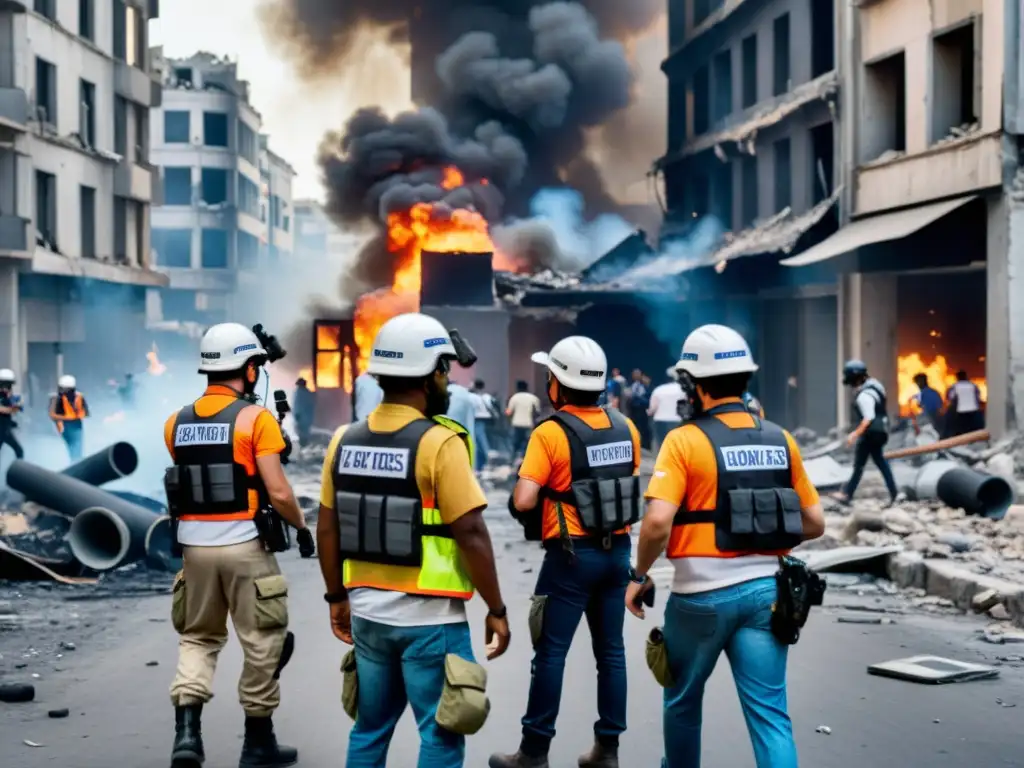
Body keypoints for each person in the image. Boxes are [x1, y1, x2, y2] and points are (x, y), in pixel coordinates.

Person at [625, 324, 826, 768]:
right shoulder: (780, 439)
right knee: (771, 717)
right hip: (765, 597)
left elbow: (657, 521)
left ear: (693, 385)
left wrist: (639, 575)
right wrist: (764, 536)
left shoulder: (684, 441)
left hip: (699, 600)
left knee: (681, 703)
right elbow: (814, 522)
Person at [316, 312, 509, 768]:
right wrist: (496, 609)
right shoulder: (440, 443)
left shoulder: (343, 439)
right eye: (445, 368)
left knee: (368, 730)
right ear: (431, 374)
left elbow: (328, 528)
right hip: (430, 620)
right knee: (440, 734)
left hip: (367, 616)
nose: (448, 380)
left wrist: (335, 598)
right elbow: (472, 534)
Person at [164, 322, 314, 768]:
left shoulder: (176, 422)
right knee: (263, 640)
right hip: (246, 545)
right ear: (249, 369)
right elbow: (280, 492)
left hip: (193, 548)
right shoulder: (256, 420)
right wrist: (301, 528)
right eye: (257, 366)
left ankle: (187, 737)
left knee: (197, 638)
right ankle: (257, 743)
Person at [490, 336, 642, 768]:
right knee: (611, 653)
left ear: (557, 384)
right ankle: (607, 750)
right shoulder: (626, 428)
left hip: (570, 557)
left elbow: (522, 499)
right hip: (617, 554)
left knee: (551, 653)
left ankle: (533, 752)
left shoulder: (551, 432)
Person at [831, 359, 900, 505]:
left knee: (860, 465)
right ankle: (894, 493)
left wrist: (854, 435)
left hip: (871, 434)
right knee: (879, 463)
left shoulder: (864, 396)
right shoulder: (876, 386)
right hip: (881, 431)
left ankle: (847, 494)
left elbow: (868, 418)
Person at [50, 375, 88, 461]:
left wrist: (75, 416)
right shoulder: (56, 399)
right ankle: (74, 463)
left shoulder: (79, 397)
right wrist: (66, 418)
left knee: (77, 449)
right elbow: (52, 414)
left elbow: (84, 413)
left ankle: (76, 464)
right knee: (72, 448)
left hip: (76, 426)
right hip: (64, 426)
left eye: (64, 389)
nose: (62, 391)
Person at [648, 368, 684, 453]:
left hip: (660, 421)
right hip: (678, 421)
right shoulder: (683, 390)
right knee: (678, 446)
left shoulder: (658, 390)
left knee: (662, 446)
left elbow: (652, 409)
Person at [506, 380, 540, 462]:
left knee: (514, 444)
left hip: (516, 424)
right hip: (528, 424)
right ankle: (525, 461)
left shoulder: (514, 397)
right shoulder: (534, 398)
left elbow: (509, 412)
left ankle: (512, 460)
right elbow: (537, 412)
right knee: (527, 444)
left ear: (517, 388)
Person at [946, 370, 984, 436]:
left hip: (962, 411)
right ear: (965, 376)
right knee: (973, 429)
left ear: (957, 377)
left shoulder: (955, 386)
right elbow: (978, 396)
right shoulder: (973, 385)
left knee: (963, 429)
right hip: (974, 410)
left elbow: (950, 397)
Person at [470, 379, 495, 472]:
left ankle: (486, 457)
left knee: (479, 441)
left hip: (477, 419)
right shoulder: (486, 396)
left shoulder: (472, 396)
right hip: (487, 419)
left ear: (474, 386)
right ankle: (485, 459)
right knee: (484, 439)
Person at [0, 368, 24, 460]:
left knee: (19, 451)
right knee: (19, 451)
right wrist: (13, 409)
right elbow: (4, 410)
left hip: (5, 430)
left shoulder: (7, 396)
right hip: (2, 431)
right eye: (7, 385)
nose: (8, 388)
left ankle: (18, 471)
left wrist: (12, 423)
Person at [629, 369, 651, 449]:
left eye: (637, 373)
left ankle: (645, 446)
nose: (635, 375)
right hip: (633, 411)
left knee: (644, 429)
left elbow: (648, 397)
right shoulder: (631, 385)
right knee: (634, 428)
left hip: (643, 411)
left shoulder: (645, 385)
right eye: (634, 374)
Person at [292, 377, 315, 446]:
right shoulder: (308, 393)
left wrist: (296, 415)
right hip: (307, 418)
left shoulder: (299, 393)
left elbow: (297, 405)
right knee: (305, 433)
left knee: (301, 433)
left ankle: (303, 447)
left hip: (300, 417)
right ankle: (305, 446)